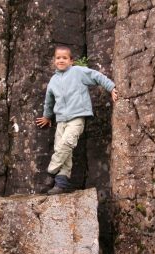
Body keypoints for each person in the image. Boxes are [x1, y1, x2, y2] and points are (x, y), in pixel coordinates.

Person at [36, 46, 118, 195]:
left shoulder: (78, 72)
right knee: (62, 150)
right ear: (54, 61)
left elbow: (97, 76)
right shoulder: (53, 81)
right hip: (61, 120)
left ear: (71, 61)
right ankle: (60, 184)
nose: (61, 60)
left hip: (77, 118)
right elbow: (49, 101)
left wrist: (111, 87)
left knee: (67, 143)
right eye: (58, 58)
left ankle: (50, 173)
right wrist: (47, 116)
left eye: (64, 58)